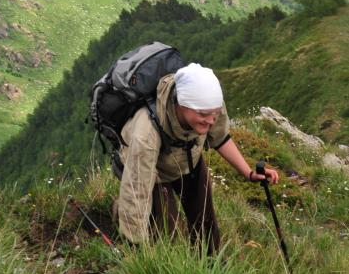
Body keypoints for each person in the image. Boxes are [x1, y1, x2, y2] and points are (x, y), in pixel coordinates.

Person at [115, 63, 278, 253]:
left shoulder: (210, 105)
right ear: (181, 105)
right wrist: (134, 244)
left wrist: (249, 173)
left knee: (206, 224)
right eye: (203, 114)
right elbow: (137, 190)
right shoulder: (147, 132)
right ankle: (120, 214)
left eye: (214, 114)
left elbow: (220, 138)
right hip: (153, 173)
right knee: (167, 232)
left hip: (188, 160)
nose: (210, 120)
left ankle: (211, 266)